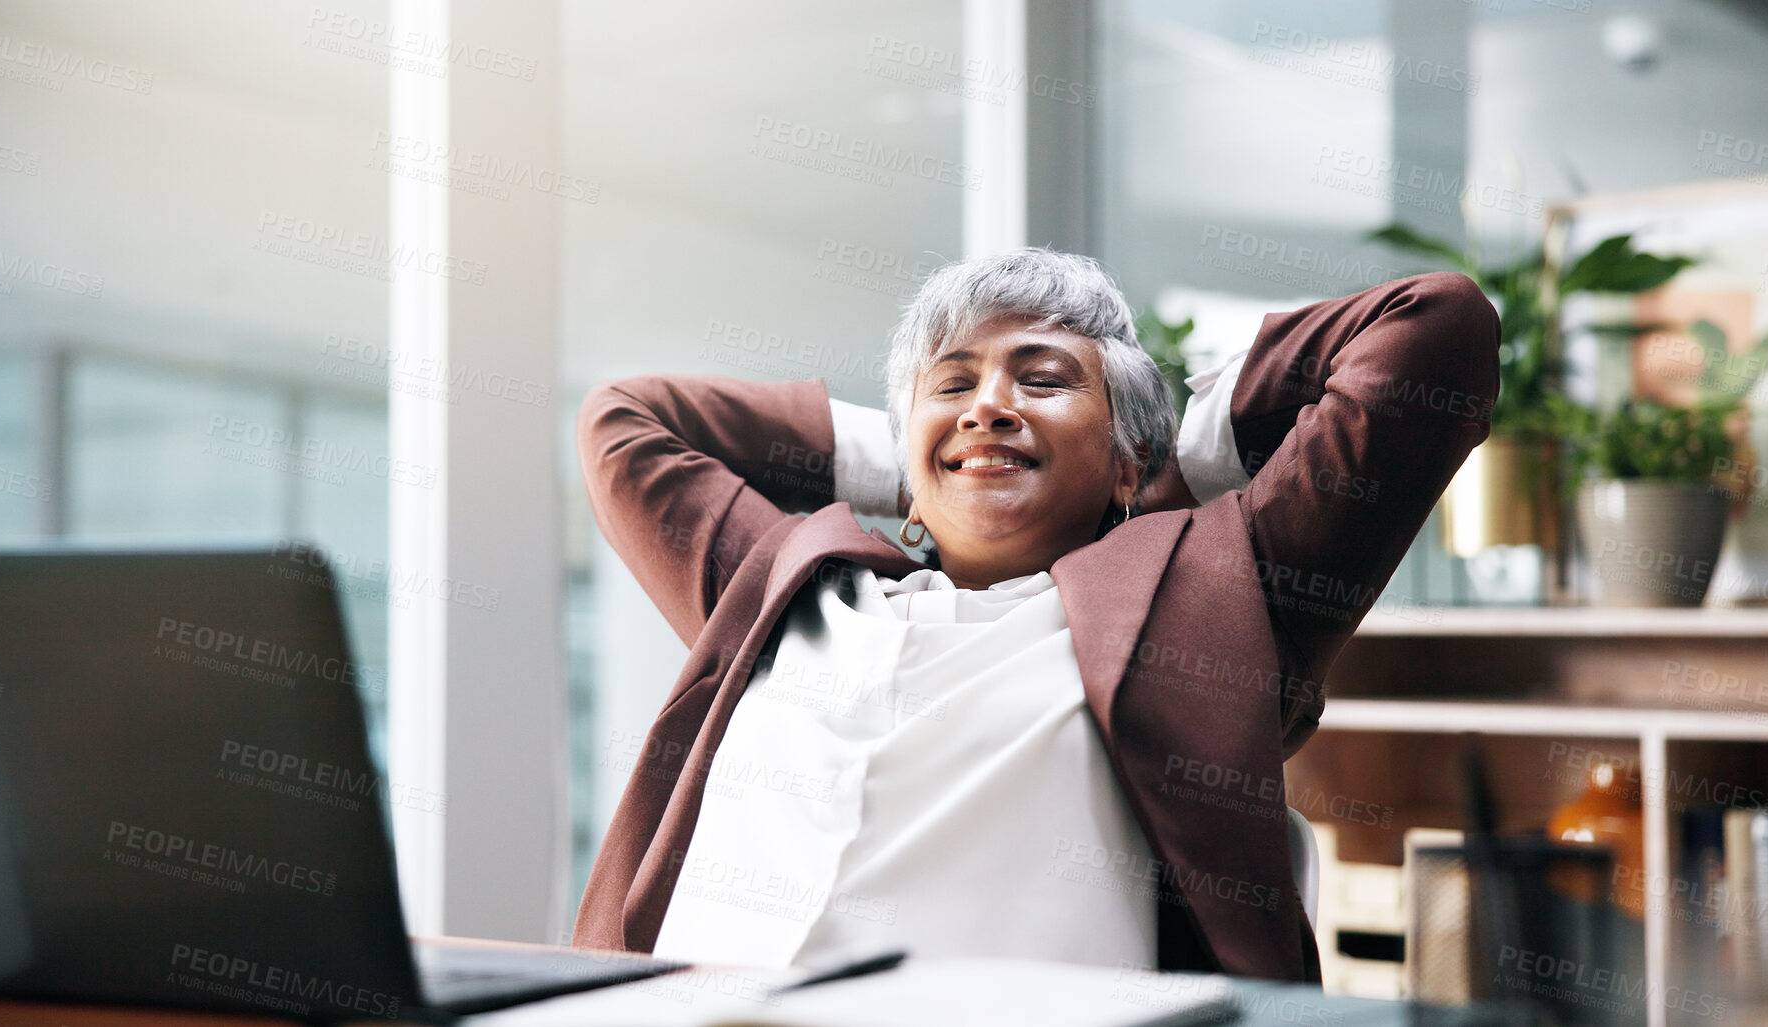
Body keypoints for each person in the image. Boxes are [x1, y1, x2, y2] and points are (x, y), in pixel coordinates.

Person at [572, 249, 1499, 983]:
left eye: (1042, 378)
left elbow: (1434, 326)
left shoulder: (1215, 594)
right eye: (954, 381)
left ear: (1127, 458)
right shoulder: (791, 582)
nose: (990, 404)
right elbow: (626, 423)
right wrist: (918, 451)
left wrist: (1161, 467)